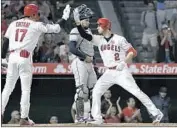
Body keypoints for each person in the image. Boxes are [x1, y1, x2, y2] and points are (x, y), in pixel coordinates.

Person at [73, 8, 164, 125]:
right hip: (109, 72)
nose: (98, 28)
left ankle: (156, 113)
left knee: (136, 92)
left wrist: (124, 62)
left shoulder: (119, 39)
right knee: (96, 91)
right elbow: (84, 35)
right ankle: (97, 118)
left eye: (99, 25)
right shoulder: (99, 39)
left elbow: (132, 52)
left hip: (121, 71)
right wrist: (77, 23)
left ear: (105, 26)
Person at [1, 4, 71, 126]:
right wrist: (64, 17)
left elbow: (5, 41)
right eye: (37, 14)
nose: (38, 16)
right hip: (24, 58)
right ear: (32, 14)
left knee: (7, 88)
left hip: (11, 57)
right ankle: (24, 118)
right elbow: (56, 28)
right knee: (25, 89)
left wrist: (2, 58)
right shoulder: (35, 25)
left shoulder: (13, 24)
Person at [69, 4, 97, 123]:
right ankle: (79, 117)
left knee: (94, 90)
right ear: (79, 21)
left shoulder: (88, 30)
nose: (88, 22)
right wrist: (85, 57)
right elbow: (72, 48)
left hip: (89, 64)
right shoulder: (75, 30)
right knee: (81, 90)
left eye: (88, 20)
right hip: (79, 62)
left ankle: (89, 115)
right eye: (85, 20)